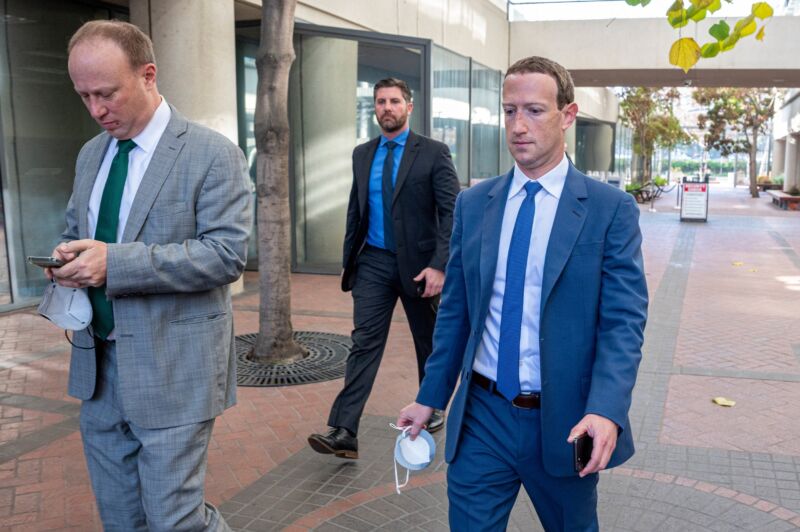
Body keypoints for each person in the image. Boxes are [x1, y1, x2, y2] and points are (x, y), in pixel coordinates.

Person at [397, 56, 648, 530]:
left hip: (566, 420)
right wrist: (430, 396)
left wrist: (605, 410)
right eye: (509, 111)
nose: (518, 125)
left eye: (534, 110)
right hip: (482, 418)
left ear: (567, 116)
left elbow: (623, 324)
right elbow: (456, 313)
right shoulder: (474, 204)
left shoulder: (609, 210)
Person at [47, 20, 252, 531]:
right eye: (83, 96)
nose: (96, 110)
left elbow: (226, 255)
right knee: (121, 519)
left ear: (148, 75)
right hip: (98, 371)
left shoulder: (212, 154)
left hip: (174, 369)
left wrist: (114, 263)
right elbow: (78, 230)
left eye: (106, 93)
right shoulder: (91, 154)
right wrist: (68, 259)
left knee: (175, 521)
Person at [308, 78, 460, 459]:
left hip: (420, 267)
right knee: (364, 343)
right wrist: (351, 261)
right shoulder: (363, 154)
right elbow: (356, 209)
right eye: (380, 102)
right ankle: (344, 430)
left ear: (409, 106)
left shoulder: (433, 153)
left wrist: (439, 266)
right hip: (374, 262)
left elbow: (452, 213)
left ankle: (432, 405)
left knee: (428, 341)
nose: (386, 107)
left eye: (394, 101)